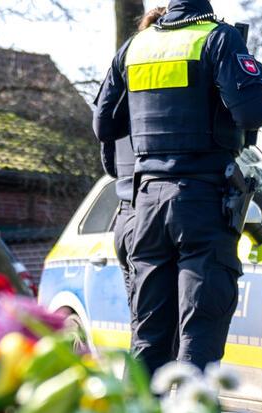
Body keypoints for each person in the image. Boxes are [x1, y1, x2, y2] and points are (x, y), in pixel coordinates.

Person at [92, 0, 262, 372]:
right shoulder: (218, 39)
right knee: (198, 338)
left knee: (148, 342)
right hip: (201, 201)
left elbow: (103, 126)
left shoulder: (134, 47)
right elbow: (251, 112)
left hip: (146, 206)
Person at [99, 6, 166, 301]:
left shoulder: (126, 85)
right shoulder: (169, 103)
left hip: (126, 216)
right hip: (158, 212)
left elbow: (109, 163)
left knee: (144, 325)